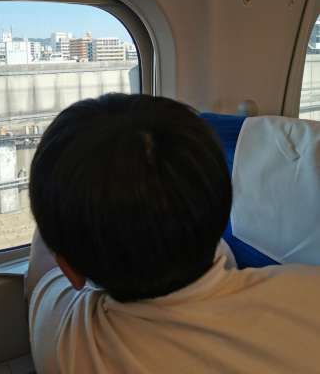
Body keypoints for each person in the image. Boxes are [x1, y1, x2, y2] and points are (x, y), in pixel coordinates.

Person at [27, 94, 320, 373]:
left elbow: (42, 268)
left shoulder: (68, 346)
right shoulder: (307, 297)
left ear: (70, 270)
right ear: (224, 209)